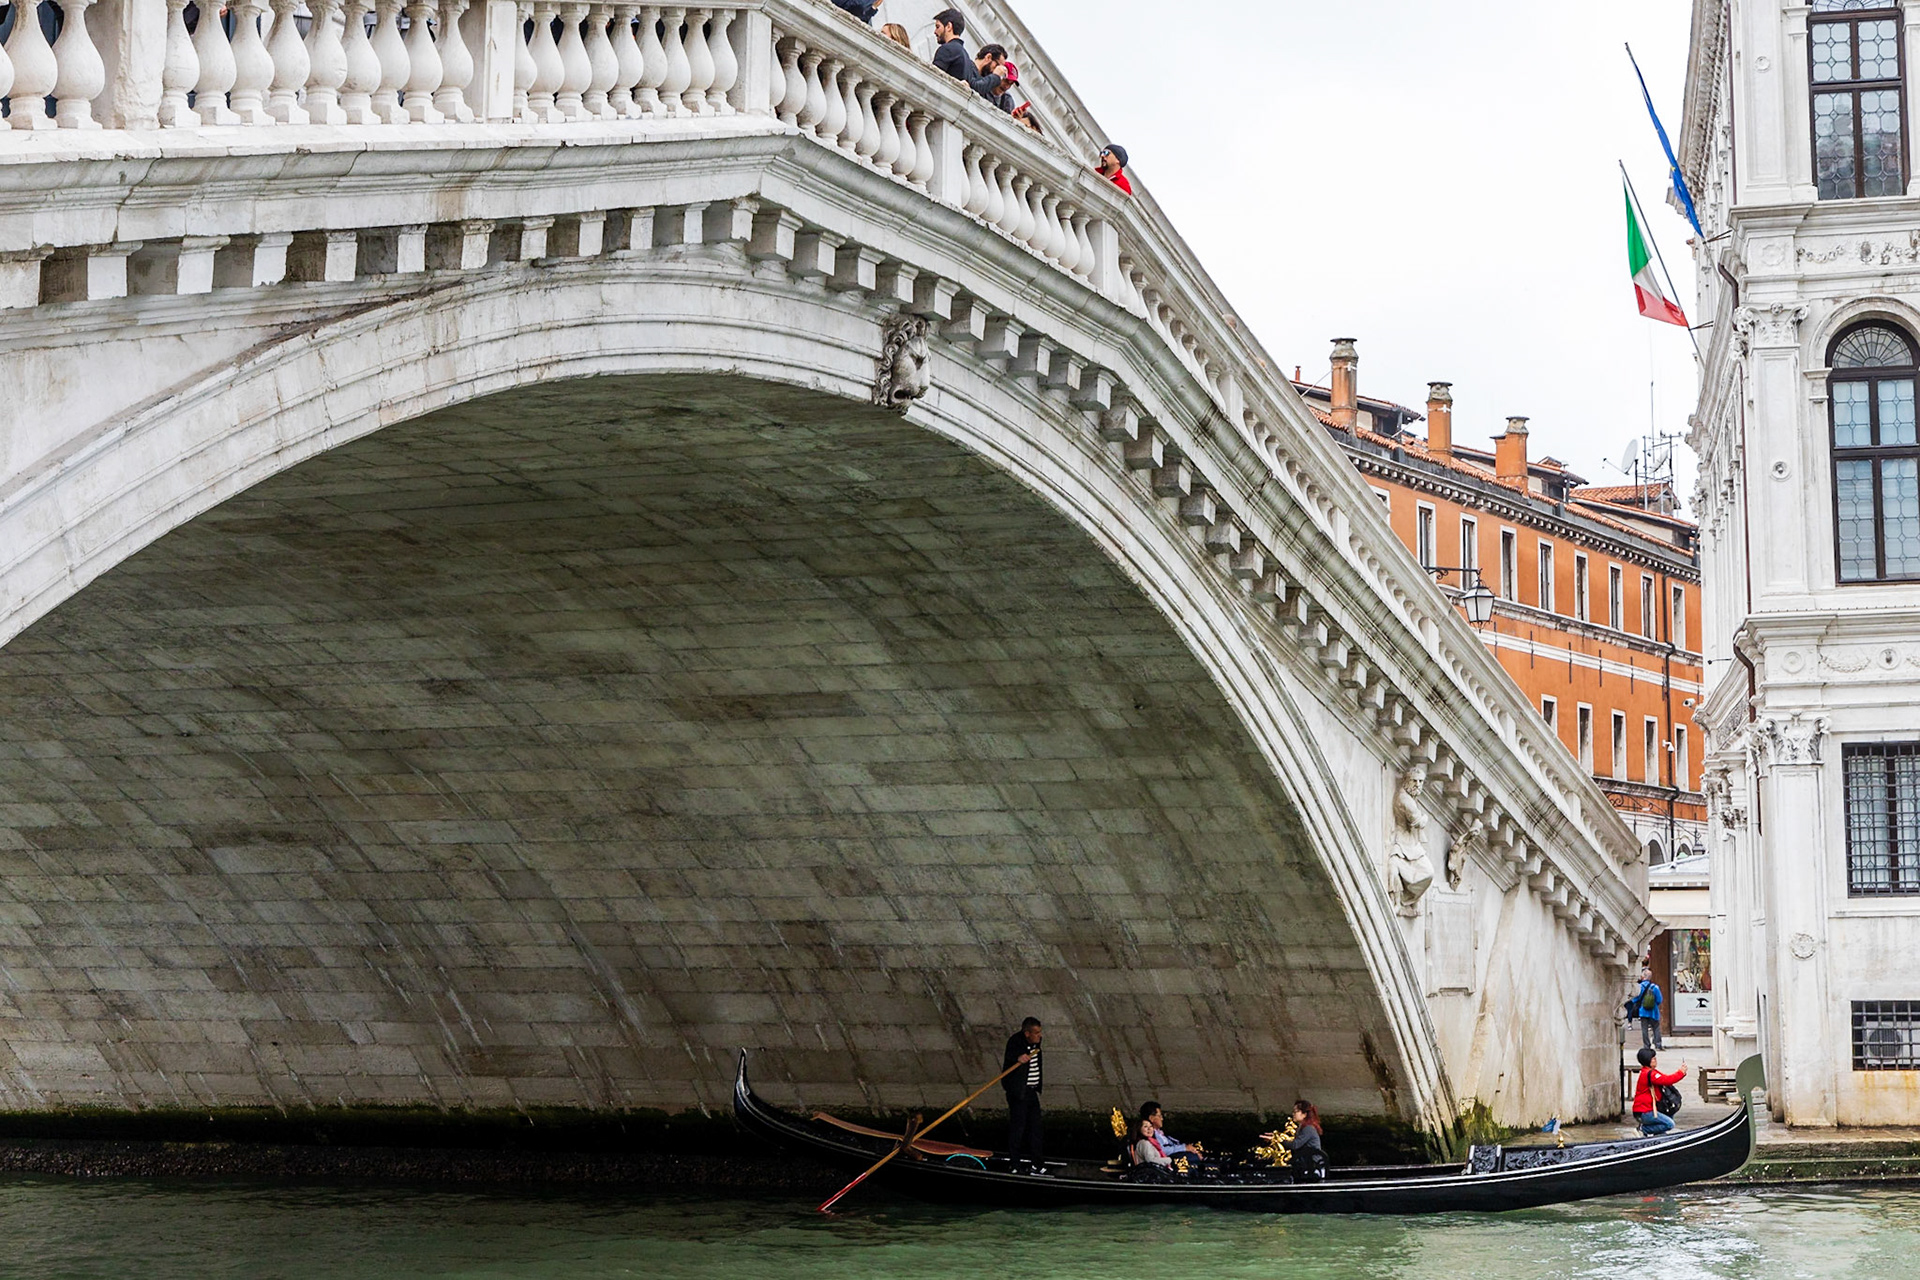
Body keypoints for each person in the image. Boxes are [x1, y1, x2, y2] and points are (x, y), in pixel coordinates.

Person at [1002, 1016, 1045, 1171]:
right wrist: (1018, 1058)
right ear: (1027, 1033)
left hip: (1032, 1092)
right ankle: (1014, 1165)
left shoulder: (1036, 1042)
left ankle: (1037, 1164)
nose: (1040, 1035)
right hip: (1018, 1094)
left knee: (1036, 1128)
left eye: (1040, 1032)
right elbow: (1010, 1055)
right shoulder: (1015, 1041)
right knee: (1018, 1129)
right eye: (1036, 1033)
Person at [933, 9, 999, 99]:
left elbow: (933, 76)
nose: (935, 32)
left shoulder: (947, 49)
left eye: (938, 27)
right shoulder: (965, 56)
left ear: (948, 26)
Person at [1632, 1046, 1686, 1136]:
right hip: (1645, 1111)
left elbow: (1664, 1077)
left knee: (1662, 1129)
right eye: (1653, 1058)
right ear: (1647, 1060)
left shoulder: (1650, 1072)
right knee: (1669, 1124)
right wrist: (1681, 1072)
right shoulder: (1649, 1074)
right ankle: (1642, 1129)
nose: (1655, 1060)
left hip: (1646, 1109)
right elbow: (1667, 1080)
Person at [1287, 1099, 1327, 1179]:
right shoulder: (1302, 1128)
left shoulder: (1308, 1129)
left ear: (1304, 1114)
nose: (1293, 1114)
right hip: (1306, 1165)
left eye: (1296, 1112)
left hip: (1313, 1167)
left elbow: (1295, 1145)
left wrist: (1280, 1141)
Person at [1627, 965, 1664, 1051]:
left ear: (1643, 976)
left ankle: (1646, 1045)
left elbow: (1635, 999)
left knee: (1644, 1029)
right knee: (1656, 1028)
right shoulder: (1655, 987)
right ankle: (1658, 1044)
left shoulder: (1640, 987)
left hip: (1643, 1011)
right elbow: (1659, 1000)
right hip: (1654, 1011)